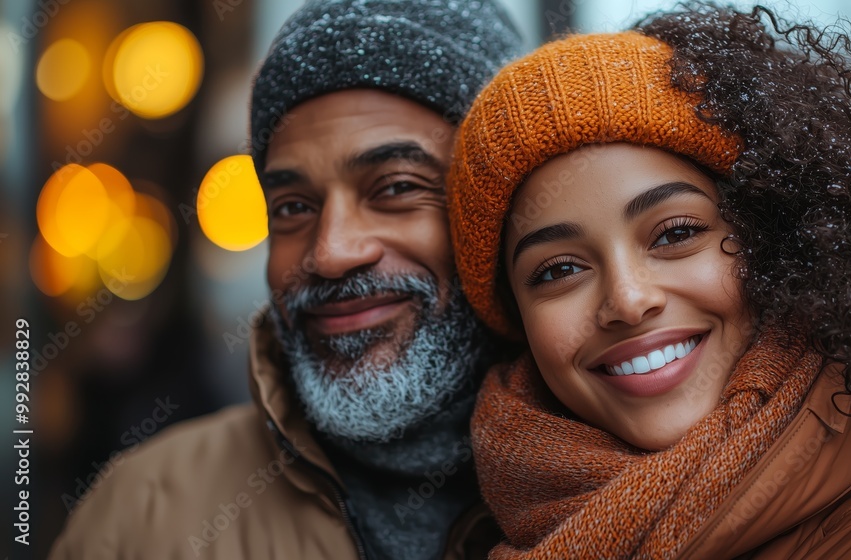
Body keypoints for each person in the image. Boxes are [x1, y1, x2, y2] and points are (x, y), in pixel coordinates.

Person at [448, 4, 851, 558]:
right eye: (559, 270)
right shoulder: (478, 529)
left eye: (675, 234)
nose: (629, 299)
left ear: (779, 241)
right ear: (518, 317)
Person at [49, 1, 521, 558]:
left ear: (502, 210)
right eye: (292, 206)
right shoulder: (143, 512)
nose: (329, 252)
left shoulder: (631, 481)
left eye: (395, 188)